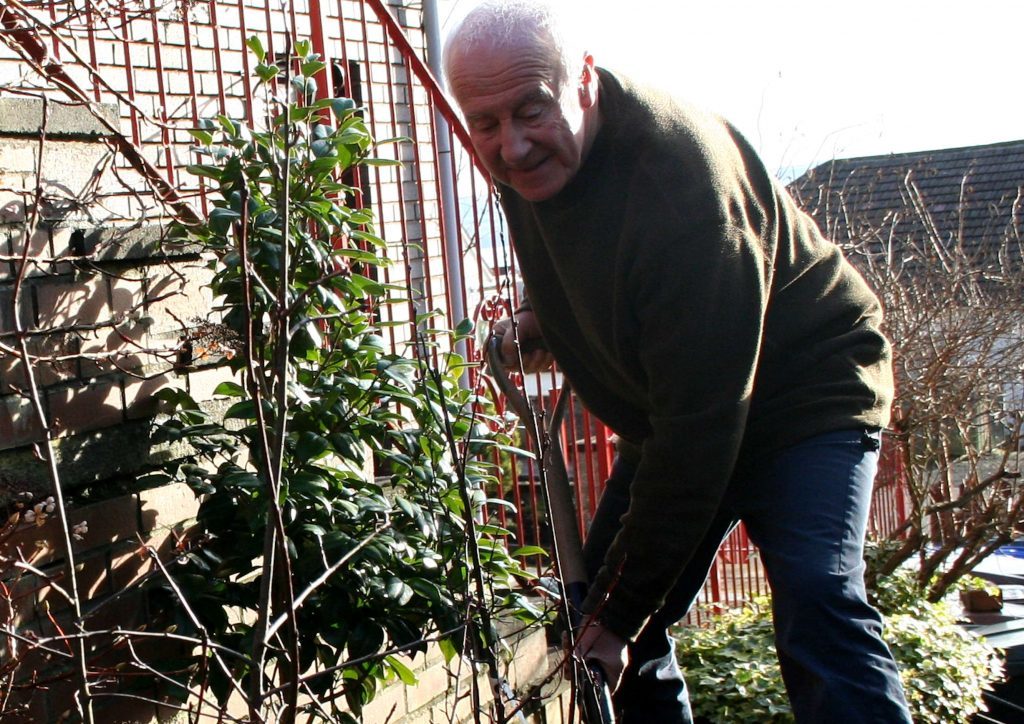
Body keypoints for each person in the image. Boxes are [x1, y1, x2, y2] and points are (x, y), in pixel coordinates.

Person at [443, 2, 913, 721]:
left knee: (816, 601)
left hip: (803, 395)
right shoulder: (526, 159)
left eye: (530, 111)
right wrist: (549, 316)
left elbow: (699, 435)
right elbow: (575, 249)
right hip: (688, 401)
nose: (511, 147)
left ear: (585, 80)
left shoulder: (682, 188)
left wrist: (623, 616)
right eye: (485, 123)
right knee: (594, 614)